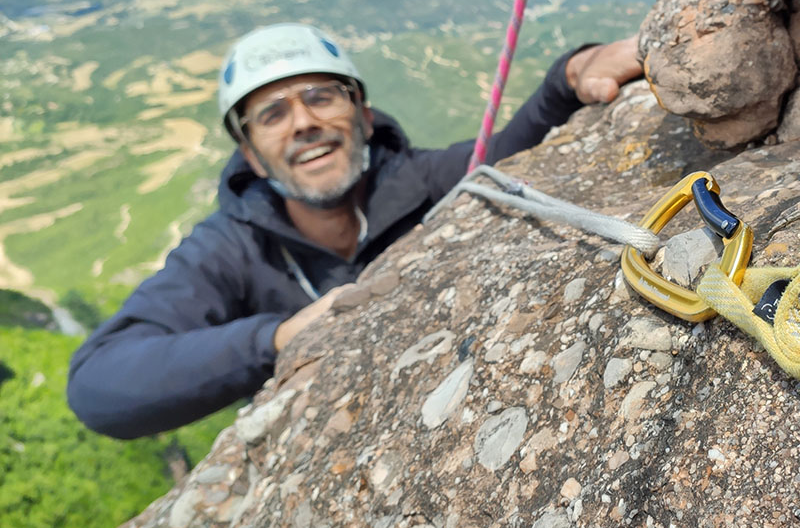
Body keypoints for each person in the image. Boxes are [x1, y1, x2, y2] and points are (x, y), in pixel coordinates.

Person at [67, 23, 641, 439]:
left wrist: (569, 75)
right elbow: (101, 385)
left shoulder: (419, 182)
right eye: (272, 114)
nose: (303, 122)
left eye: (321, 97)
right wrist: (276, 339)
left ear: (363, 115)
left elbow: (514, 155)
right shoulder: (233, 249)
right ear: (252, 155)